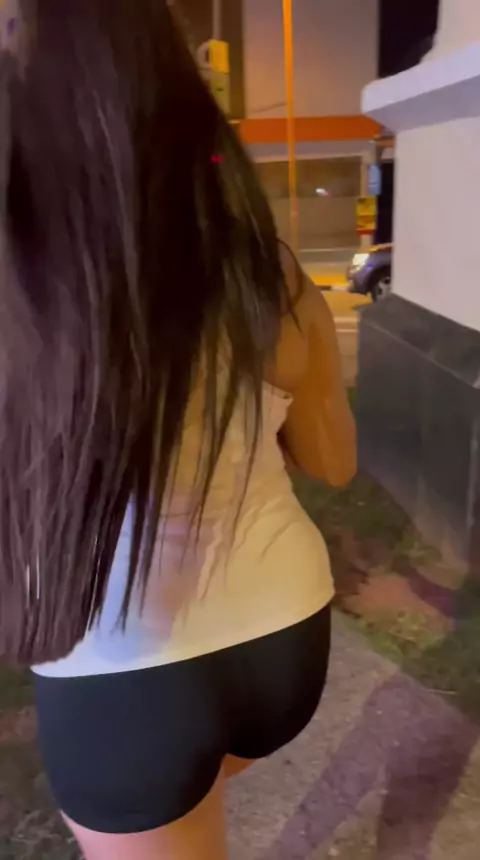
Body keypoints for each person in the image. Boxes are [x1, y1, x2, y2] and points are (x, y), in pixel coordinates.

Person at [0, 1, 356, 858]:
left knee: (173, 805)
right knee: (192, 801)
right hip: (284, 637)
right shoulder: (266, 268)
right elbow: (333, 462)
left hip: (127, 676)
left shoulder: (24, 280)